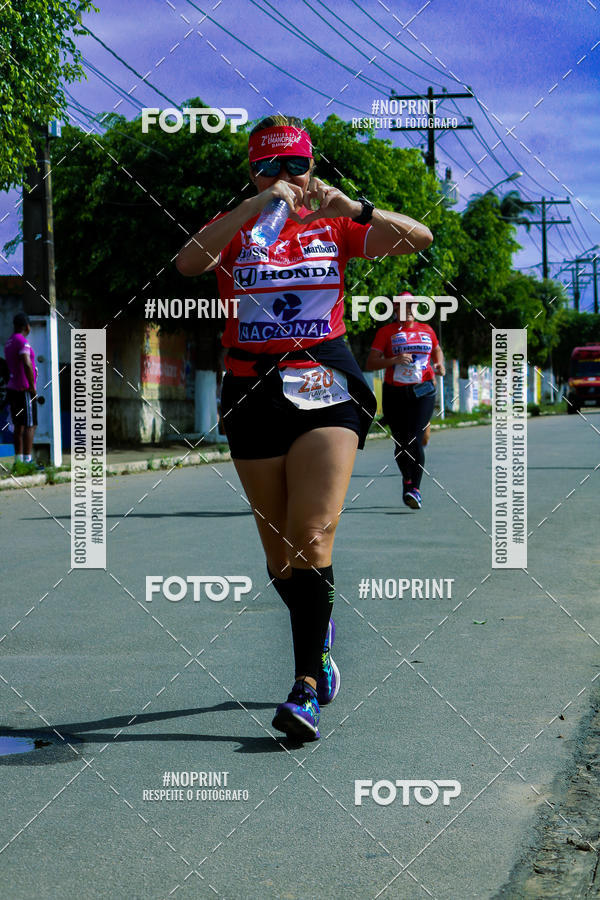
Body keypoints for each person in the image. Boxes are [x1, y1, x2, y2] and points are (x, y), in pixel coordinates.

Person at [176, 115, 432, 741]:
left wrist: (359, 207)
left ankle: (306, 688)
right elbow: (188, 263)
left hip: (327, 383)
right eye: (269, 167)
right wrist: (254, 206)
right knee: (280, 557)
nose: (285, 177)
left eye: (295, 165)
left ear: (312, 166)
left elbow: (418, 238)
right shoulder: (239, 228)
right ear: (253, 172)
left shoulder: (334, 221)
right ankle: (320, 633)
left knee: (311, 534)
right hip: (251, 388)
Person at [366, 293, 445, 510]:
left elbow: (437, 349)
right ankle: (407, 481)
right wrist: (394, 360)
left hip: (423, 391)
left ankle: (415, 490)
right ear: (394, 309)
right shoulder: (386, 332)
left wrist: (439, 365)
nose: (406, 309)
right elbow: (371, 362)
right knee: (401, 443)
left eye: (410, 305)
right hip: (394, 393)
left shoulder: (426, 329)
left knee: (414, 439)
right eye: (401, 306)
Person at [4, 312, 38, 465]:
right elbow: (26, 362)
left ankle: (18, 462)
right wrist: (32, 386)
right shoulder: (22, 342)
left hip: (12, 389)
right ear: (27, 326)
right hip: (23, 390)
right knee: (30, 424)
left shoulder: (9, 342)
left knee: (18, 425)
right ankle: (28, 460)